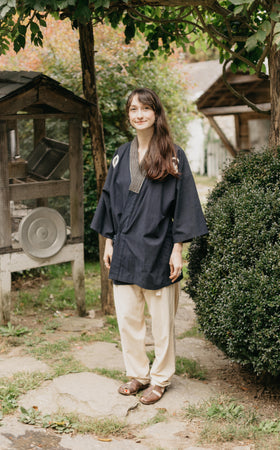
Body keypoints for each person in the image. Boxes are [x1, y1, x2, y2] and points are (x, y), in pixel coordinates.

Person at [91, 88, 208, 405]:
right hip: (125, 246)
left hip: (159, 249)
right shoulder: (119, 155)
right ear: (129, 115)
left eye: (145, 108)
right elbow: (108, 200)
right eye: (133, 109)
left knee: (162, 322)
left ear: (156, 113)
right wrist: (109, 240)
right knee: (128, 319)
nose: (139, 114)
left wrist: (177, 248)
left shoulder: (173, 154)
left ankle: (160, 379)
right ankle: (138, 374)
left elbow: (184, 204)